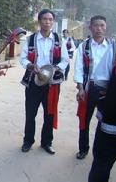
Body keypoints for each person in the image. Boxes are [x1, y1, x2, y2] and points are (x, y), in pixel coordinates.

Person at [20, 9, 69, 155]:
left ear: (52, 22)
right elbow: (23, 58)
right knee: (30, 114)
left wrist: (55, 68)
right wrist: (30, 65)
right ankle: (28, 141)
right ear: (39, 21)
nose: (47, 22)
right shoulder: (30, 39)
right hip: (34, 82)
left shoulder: (59, 40)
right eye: (44, 19)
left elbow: (65, 60)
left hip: (52, 83)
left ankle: (46, 142)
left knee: (49, 114)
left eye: (50, 19)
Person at [74, 15, 116, 160]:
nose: (99, 29)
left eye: (102, 25)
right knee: (84, 120)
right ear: (90, 27)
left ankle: (102, 151)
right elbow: (79, 68)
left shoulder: (113, 46)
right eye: (96, 26)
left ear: (106, 27)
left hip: (107, 90)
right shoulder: (84, 46)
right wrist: (80, 88)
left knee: (106, 121)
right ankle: (83, 148)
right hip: (89, 88)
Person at [88, 45, 116, 182]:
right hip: (112, 126)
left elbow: (100, 81)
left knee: (101, 166)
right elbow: (100, 82)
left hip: (112, 125)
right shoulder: (115, 49)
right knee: (101, 167)